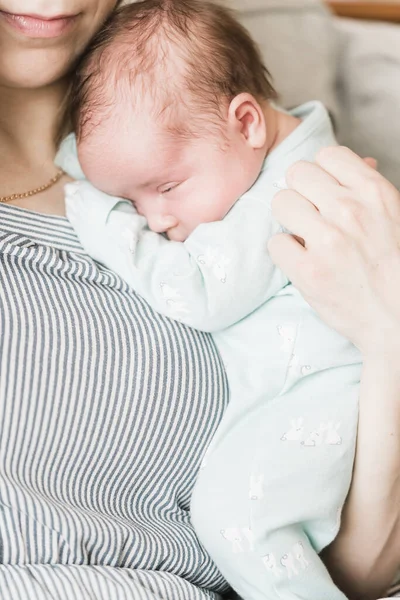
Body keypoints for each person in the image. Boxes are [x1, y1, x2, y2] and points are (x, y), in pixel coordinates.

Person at [0, 0, 398, 598]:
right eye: (133, 201)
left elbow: (363, 571)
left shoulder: (258, 172)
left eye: (162, 190)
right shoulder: (204, 166)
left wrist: (99, 208)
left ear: (246, 123)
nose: (156, 221)